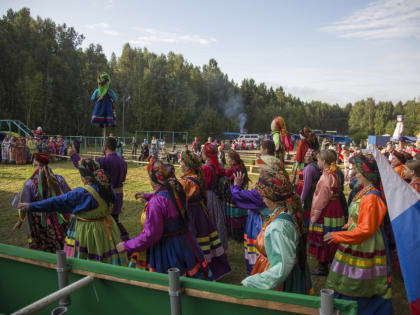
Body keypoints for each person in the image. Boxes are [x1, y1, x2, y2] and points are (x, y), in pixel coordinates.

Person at [18, 159, 126, 265]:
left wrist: (31, 206)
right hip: (108, 228)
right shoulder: (107, 187)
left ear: (84, 176)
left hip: (90, 232)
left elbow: (57, 202)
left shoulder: (83, 193)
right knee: (106, 251)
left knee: (90, 258)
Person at [116, 158, 210, 279]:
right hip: (185, 243)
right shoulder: (177, 189)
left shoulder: (157, 202)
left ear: (154, 180)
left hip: (167, 250)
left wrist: (126, 245)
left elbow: (151, 235)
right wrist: (149, 196)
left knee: (170, 282)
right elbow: (169, 199)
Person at [324, 154, 393, 314]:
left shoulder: (371, 198)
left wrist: (337, 236)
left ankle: (360, 307)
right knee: (348, 276)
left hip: (365, 244)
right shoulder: (365, 192)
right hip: (356, 240)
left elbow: (365, 230)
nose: (355, 174)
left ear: (367, 174)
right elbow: (359, 218)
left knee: (359, 280)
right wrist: (349, 224)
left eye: (357, 171)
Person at [241, 172, 312, 294]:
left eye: (263, 196)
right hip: (290, 271)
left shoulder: (278, 227)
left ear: (272, 198)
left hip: (280, 279)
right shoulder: (290, 211)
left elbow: (282, 267)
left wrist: (251, 282)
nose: (262, 199)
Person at [178, 151, 231, 280]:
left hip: (193, 215)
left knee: (196, 242)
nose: (180, 164)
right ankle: (214, 268)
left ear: (187, 165)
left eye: (182, 162)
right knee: (207, 241)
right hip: (201, 214)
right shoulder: (197, 176)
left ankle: (200, 270)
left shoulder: (186, 182)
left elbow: (172, 197)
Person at [231, 153, 285, 274]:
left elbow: (242, 197)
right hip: (274, 221)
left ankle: (259, 271)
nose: (259, 169)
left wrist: (236, 187)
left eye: (261, 167)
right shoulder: (278, 182)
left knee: (261, 249)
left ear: (267, 170)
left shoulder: (265, 188)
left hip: (262, 223)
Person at [12, 153, 71, 252]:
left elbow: (24, 205)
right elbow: (69, 196)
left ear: (35, 165)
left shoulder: (29, 184)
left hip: (39, 223)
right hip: (59, 218)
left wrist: (20, 220)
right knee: (61, 243)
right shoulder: (58, 179)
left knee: (44, 246)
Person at [308, 150, 345, 276]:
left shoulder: (326, 177)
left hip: (327, 209)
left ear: (324, 162)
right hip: (336, 208)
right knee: (332, 234)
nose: (317, 162)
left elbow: (321, 200)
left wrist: (314, 216)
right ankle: (332, 262)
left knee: (324, 236)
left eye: (318, 160)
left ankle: (323, 266)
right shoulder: (335, 173)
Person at [96, 137, 129, 241]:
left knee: (108, 221)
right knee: (114, 219)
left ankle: (121, 238)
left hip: (107, 197)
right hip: (119, 195)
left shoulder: (103, 161)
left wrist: (73, 155)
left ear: (105, 147)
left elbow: (83, 167)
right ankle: (122, 238)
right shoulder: (123, 162)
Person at [201, 143, 228, 250]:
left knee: (211, 221)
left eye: (203, 151)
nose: (202, 153)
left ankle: (213, 246)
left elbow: (204, 185)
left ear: (206, 154)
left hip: (209, 196)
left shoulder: (206, 168)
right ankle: (220, 245)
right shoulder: (218, 164)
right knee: (218, 220)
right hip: (217, 196)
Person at [224, 150, 250, 242]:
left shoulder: (232, 169)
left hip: (233, 194)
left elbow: (224, 174)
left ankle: (234, 234)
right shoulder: (241, 166)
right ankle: (241, 232)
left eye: (229, 158)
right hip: (241, 193)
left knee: (233, 215)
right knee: (240, 214)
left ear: (233, 160)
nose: (228, 160)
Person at [300, 149, 321, 225]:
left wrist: (302, 198)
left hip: (311, 194)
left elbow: (306, 186)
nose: (304, 158)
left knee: (309, 211)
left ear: (310, 158)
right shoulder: (316, 165)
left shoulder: (309, 168)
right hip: (317, 192)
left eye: (306, 156)